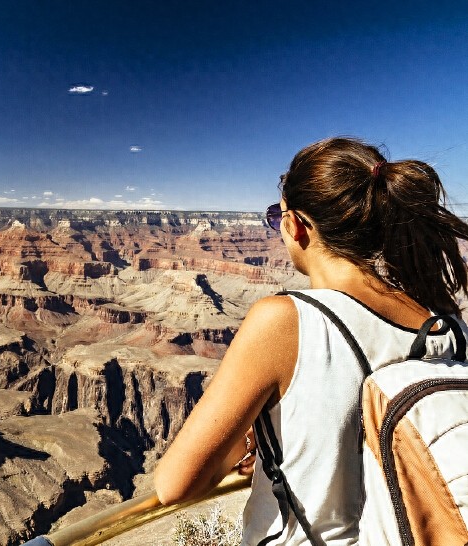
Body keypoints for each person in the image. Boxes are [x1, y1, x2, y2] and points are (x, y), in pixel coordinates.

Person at [153, 137, 468, 544]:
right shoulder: (447, 326)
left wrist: (240, 446)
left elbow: (172, 485)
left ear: (295, 225)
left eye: (276, 216)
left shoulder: (285, 321)